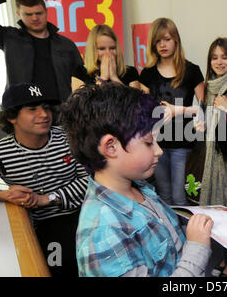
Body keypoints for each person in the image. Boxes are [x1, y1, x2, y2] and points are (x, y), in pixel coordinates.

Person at [59, 83, 213, 277]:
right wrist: (196, 250)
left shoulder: (139, 188)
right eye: (149, 142)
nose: (159, 150)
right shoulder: (104, 233)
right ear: (111, 147)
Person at [0, 82, 89, 277]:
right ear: (11, 117)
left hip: (81, 217)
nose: (44, 115)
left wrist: (48, 198)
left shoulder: (70, 138)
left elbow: (91, 180)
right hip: (36, 227)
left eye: (46, 107)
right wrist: (4, 194)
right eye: (32, 109)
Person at [139, 17, 205, 205]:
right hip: (156, 142)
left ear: (176, 40)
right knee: (164, 195)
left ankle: (186, 234)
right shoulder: (148, 73)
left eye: (167, 39)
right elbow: (143, 111)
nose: (162, 45)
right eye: (158, 41)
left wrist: (179, 111)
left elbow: (204, 109)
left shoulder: (192, 71)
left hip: (182, 143)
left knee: (180, 196)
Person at [197, 38, 227, 277]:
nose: (219, 62)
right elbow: (211, 122)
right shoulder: (210, 87)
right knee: (218, 208)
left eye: (224, 57)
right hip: (214, 155)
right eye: (214, 58)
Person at [0, 0, 83, 102]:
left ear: (46, 12)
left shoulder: (66, 44)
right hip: (21, 114)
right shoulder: (9, 38)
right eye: (28, 14)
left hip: (60, 114)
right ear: (19, 14)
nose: (35, 18)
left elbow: (85, 78)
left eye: (39, 13)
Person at [72, 24, 144, 91]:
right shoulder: (80, 72)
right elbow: (81, 102)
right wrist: (103, 78)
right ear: (92, 50)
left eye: (112, 48)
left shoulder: (131, 72)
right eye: (102, 49)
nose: (108, 53)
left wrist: (114, 78)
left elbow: (134, 101)